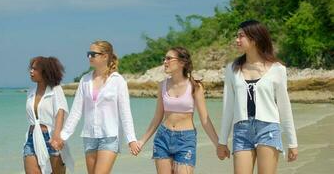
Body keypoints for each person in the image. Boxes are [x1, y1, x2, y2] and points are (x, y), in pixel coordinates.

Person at [217, 20, 298, 174]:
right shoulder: (232, 69)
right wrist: (222, 141)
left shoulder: (277, 69)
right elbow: (228, 108)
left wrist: (292, 142)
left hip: (268, 129)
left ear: (254, 39)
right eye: (237, 36)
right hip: (241, 131)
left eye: (241, 36)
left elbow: (284, 107)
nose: (237, 40)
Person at [54, 40, 140, 174]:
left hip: (110, 136)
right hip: (89, 136)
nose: (89, 57)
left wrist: (131, 139)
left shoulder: (118, 81)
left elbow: (125, 113)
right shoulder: (85, 80)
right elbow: (76, 112)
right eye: (88, 54)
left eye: (93, 54)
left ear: (105, 56)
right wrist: (63, 136)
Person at [137, 46, 219, 174]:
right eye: (164, 58)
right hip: (163, 138)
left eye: (169, 59)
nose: (165, 61)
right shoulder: (162, 85)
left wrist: (218, 144)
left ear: (182, 62)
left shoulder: (195, 86)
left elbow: (204, 119)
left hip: (186, 140)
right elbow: (157, 117)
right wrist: (142, 141)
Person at [23, 56, 73, 174]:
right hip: (32, 137)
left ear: (45, 72)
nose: (31, 71)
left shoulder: (55, 89)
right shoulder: (30, 92)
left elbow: (60, 111)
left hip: (50, 137)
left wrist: (57, 135)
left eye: (35, 69)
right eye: (31, 68)